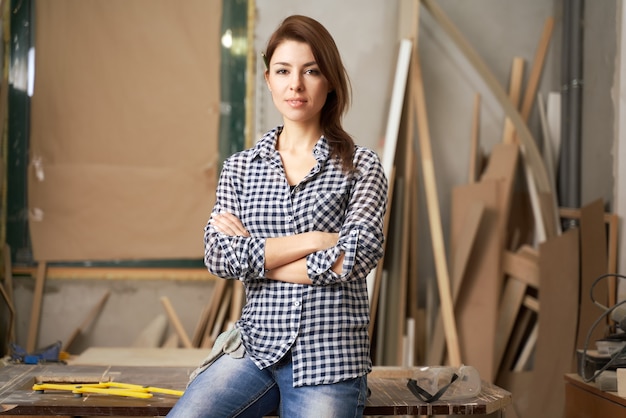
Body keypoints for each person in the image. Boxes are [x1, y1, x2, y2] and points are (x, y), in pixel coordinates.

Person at [167, 14, 387, 418]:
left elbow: (355, 257)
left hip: (330, 358)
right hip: (254, 349)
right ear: (268, 79)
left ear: (331, 80)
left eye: (311, 71)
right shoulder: (240, 168)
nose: (296, 85)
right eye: (284, 71)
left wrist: (256, 260)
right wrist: (316, 240)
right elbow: (218, 255)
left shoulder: (361, 165)